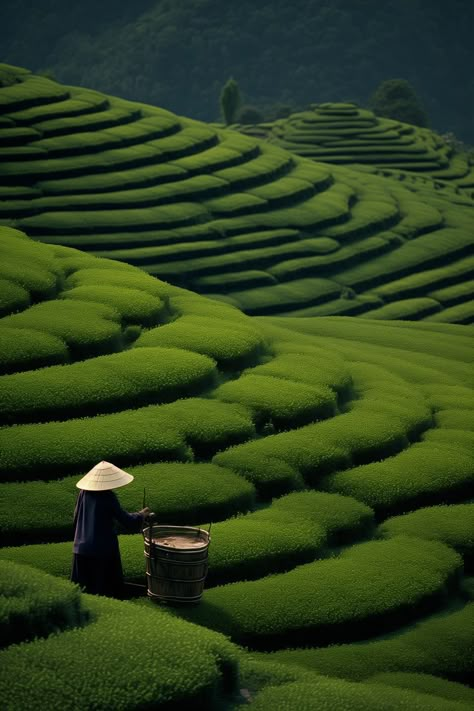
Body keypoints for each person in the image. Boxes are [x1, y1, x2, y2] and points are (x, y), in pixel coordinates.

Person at [71, 460, 150, 597]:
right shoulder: (108, 497)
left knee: (82, 592)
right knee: (104, 591)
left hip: (80, 548)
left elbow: (75, 517)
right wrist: (141, 515)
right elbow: (126, 520)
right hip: (101, 550)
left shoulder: (83, 493)